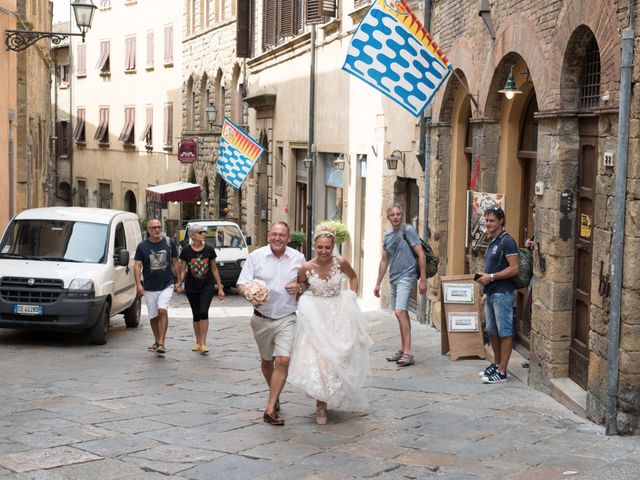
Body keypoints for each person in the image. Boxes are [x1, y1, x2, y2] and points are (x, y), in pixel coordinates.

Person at [288, 225, 371, 425]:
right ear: (314, 246)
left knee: (339, 357)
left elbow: (353, 277)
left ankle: (333, 392)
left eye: (327, 247)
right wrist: (296, 289)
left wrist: (351, 296)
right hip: (316, 316)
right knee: (320, 359)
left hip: (338, 313)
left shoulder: (340, 262)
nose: (323, 251)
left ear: (333, 247)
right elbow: (301, 287)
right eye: (320, 247)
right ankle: (320, 406)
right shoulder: (306, 268)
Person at [236, 221, 305, 426]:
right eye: (274, 234)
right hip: (261, 319)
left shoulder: (298, 258)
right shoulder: (256, 257)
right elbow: (241, 283)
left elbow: (308, 282)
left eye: (281, 235)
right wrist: (249, 293)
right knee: (267, 362)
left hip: (287, 317)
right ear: (268, 236)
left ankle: (270, 408)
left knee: (282, 361)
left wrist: (299, 286)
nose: (277, 238)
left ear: (288, 238)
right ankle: (275, 395)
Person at [374, 204, 427, 367]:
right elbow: (384, 260)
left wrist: (423, 279)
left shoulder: (408, 230)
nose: (396, 217)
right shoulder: (388, 235)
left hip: (407, 275)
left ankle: (408, 352)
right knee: (401, 313)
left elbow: (421, 254)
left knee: (399, 311)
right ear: (388, 217)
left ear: (402, 215)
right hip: (394, 277)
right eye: (392, 215)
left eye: (398, 214)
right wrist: (377, 283)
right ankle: (403, 348)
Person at [477, 206, 520, 383]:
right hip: (492, 293)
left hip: (503, 293)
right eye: (486, 220)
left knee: (505, 332)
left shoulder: (507, 241)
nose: (488, 224)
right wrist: (486, 288)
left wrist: (491, 277)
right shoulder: (492, 241)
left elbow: (514, 269)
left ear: (501, 221)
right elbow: (492, 267)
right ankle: (496, 363)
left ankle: (502, 372)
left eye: (492, 220)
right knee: (492, 331)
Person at [134, 219, 181, 355]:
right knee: (153, 316)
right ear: (148, 230)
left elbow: (175, 262)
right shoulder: (142, 246)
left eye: (159, 227)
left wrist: (179, 281)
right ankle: (156, 340)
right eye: (153, 227)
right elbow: (137, 265)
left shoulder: (169, 243)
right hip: (149, 286)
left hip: (167, 283)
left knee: (162, 310)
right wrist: (138, 284)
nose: (156, 229)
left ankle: (161, 343)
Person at [179, 223, 225, 354]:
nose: (203, 234)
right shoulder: (186, 251)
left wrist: (220, 288)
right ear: (193, 235)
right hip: (191, 286)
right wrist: (179, 283)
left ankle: (203, 342)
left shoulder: (209, 250)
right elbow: (183, 270)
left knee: (203, 311)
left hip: (207, 285)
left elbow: (214, 269)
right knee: (196, 313)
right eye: (200, 232)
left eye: (204, 232)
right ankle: (198, 341)